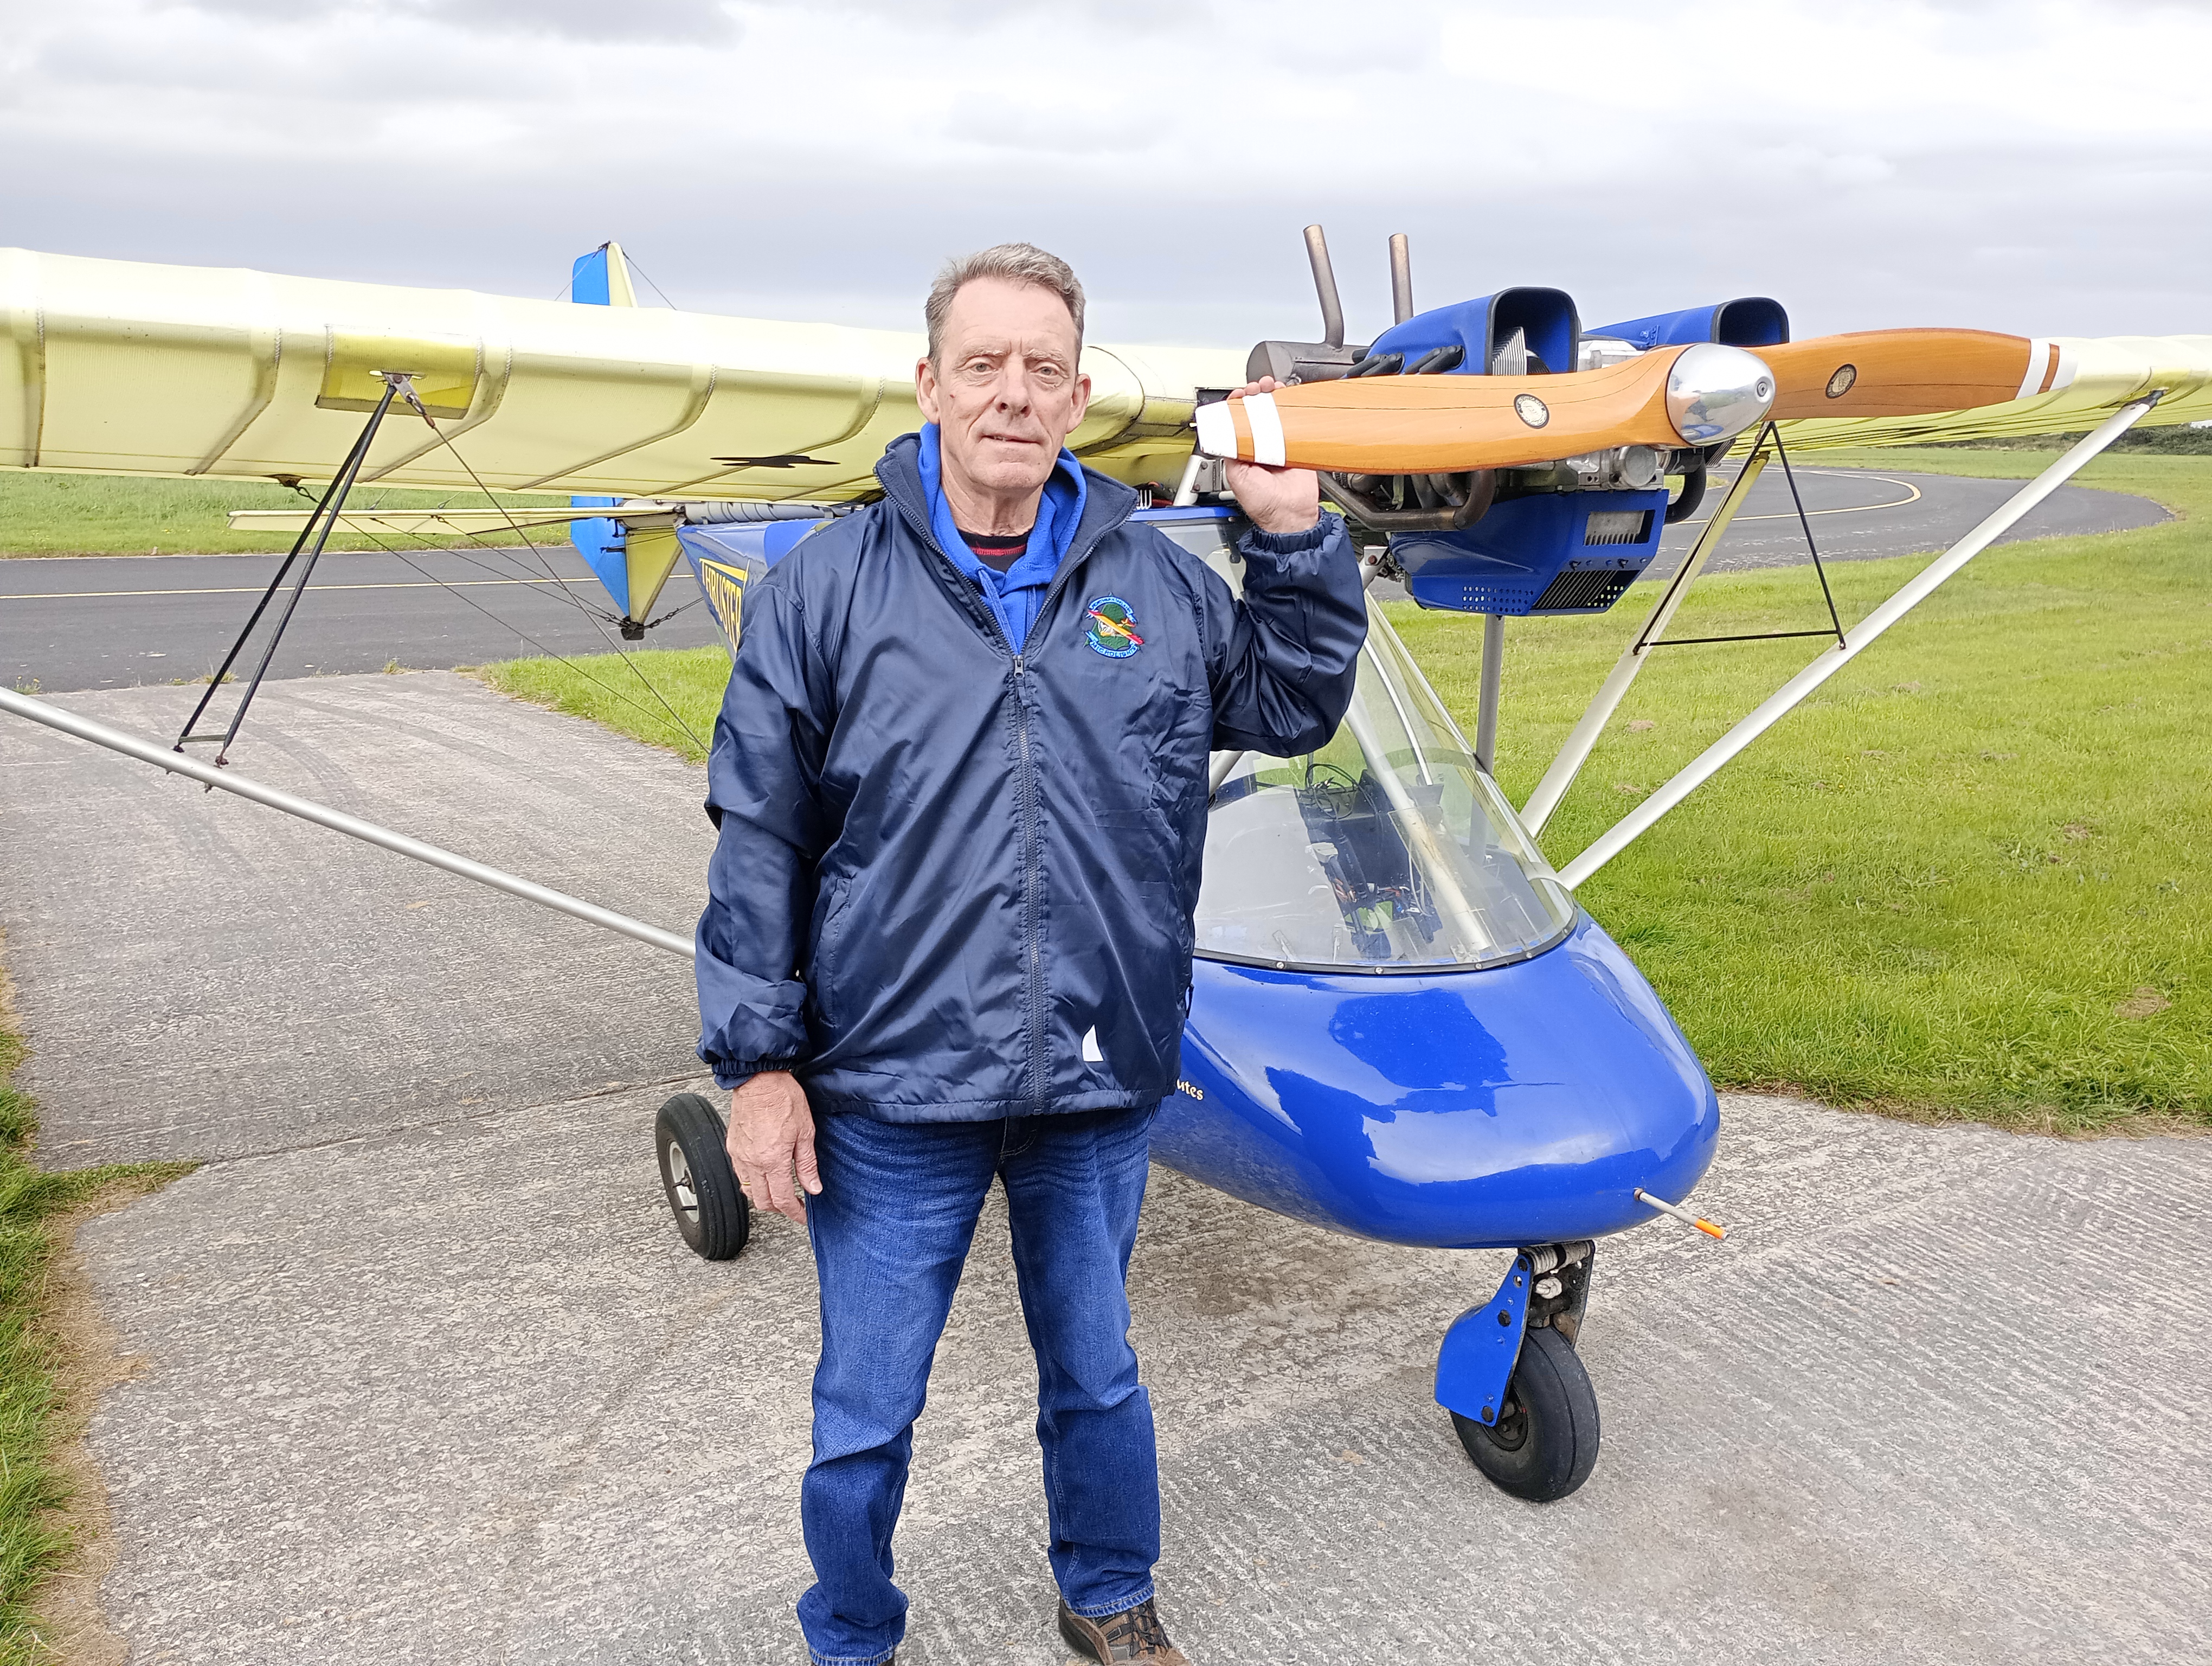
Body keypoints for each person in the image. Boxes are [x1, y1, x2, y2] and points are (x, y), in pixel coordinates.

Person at [694, 242, 1367, 1666]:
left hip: (1096, 1075)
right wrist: (757, 1066)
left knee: (1100, 1375)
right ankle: (852, 1636)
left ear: (1075, 395)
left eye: (1043, 369)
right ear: (930, 382)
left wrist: (1297, 540)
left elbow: (1297, 707)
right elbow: (759, 834)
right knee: (864, 1415)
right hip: (888, 1092)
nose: (1013, 393)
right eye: (984, 364)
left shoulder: (1158, 588)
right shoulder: (824, 591)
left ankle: (1109, 1595)